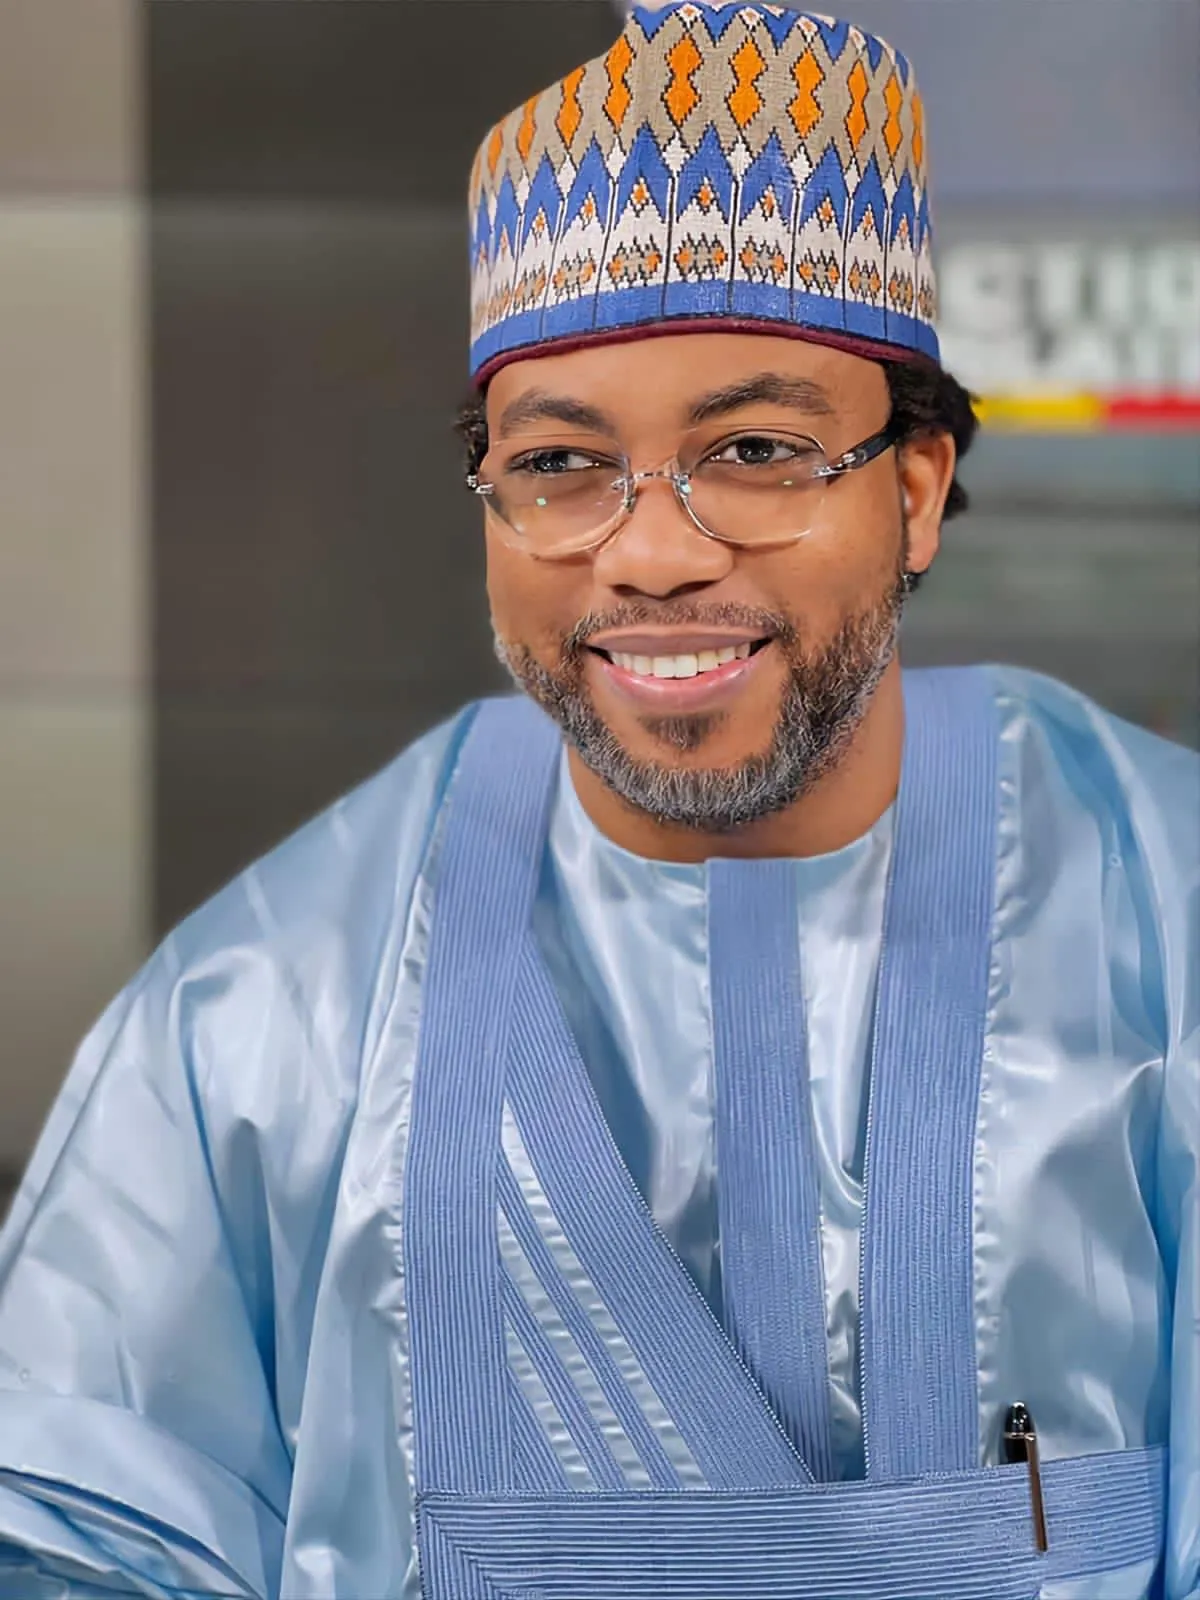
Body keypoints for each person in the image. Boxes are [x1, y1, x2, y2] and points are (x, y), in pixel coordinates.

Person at [1, 3, 1196, 1596]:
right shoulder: (268, 1011)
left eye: (756, 450)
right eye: (561, 467)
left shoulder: (1166, 928)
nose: (651, 552)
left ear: (914, 490)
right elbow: (76, 1536)